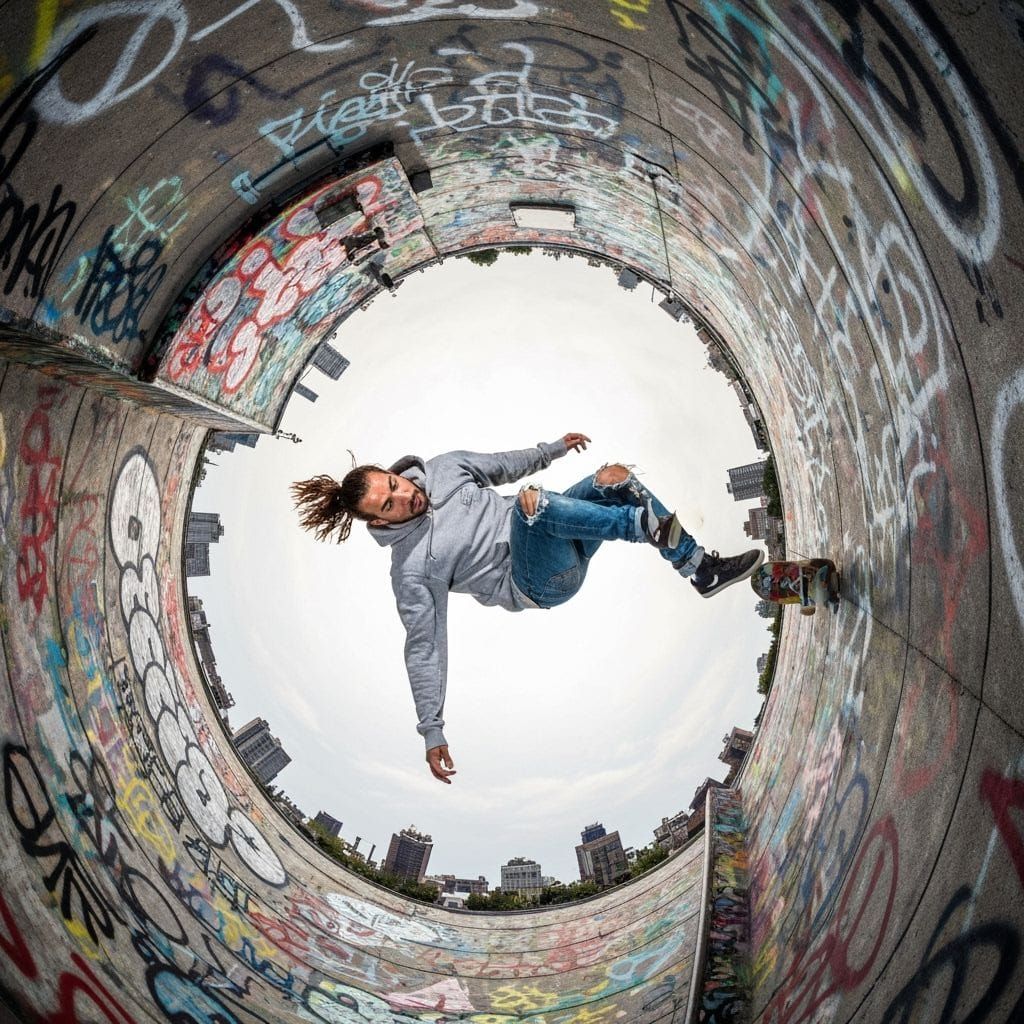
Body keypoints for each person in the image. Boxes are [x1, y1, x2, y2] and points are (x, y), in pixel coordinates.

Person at [291, 434, 764, 783]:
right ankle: (644, 526)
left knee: (612, 478)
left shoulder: (444, 468)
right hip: (540, 580)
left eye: (394, 484)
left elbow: (501, 464)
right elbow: (424, 645)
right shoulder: (412, 570)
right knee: (529, 506)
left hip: (565, 528)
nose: (405, 497)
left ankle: (701, 568)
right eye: (391, 505)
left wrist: (554, 448)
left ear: (391, 470)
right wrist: (431, 730)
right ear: (378, 521)